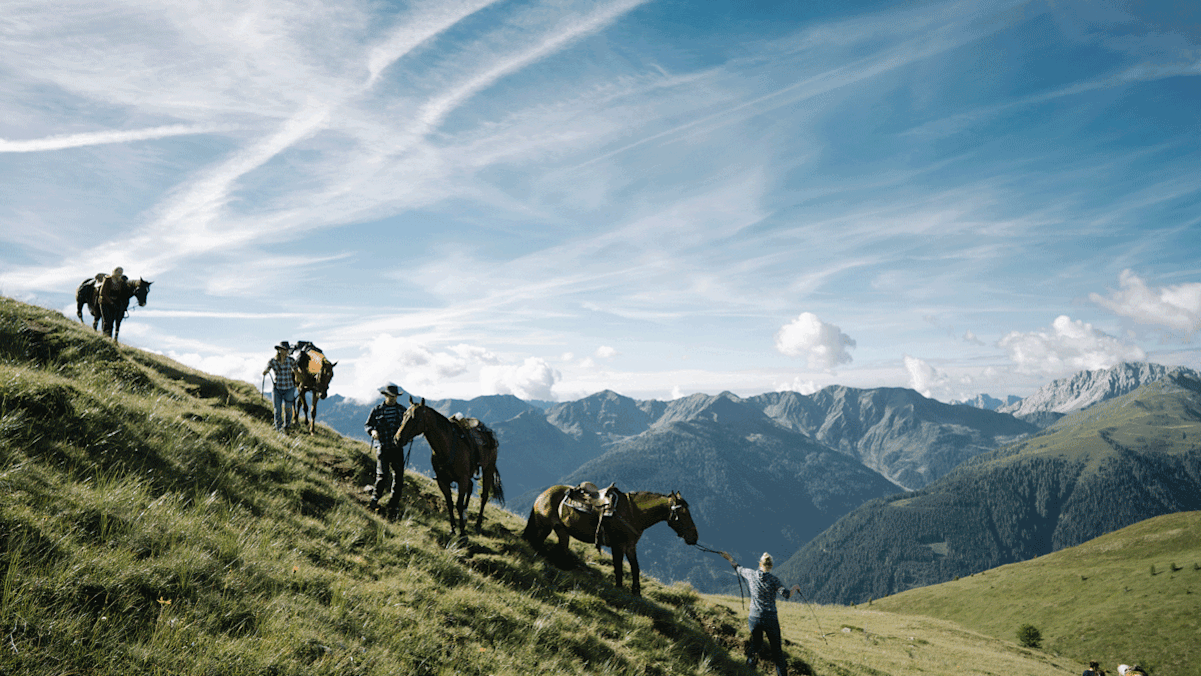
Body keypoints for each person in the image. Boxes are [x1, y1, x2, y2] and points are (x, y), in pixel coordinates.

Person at [721, 551, 792, 676]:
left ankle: (748, 672)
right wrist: (795, 588)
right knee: (777, 651)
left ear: (760, 563)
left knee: (755, 646)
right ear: (771, 565)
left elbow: (737, 568)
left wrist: (729, 558)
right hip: (770, 618)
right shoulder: (774, 580)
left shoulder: (750, 574)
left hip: (754, 617)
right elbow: (786, 594)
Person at [365, 383, 407, 517]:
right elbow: (368, 425)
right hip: (383, 447)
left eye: (395, 396)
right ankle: (375, 499)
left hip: (397, 448)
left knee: (399, 477)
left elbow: (408, 426)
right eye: (390, 396)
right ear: (385, 396)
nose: (393, 398)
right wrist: (372, 431)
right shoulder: (377, 410)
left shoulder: (402, 411)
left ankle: (393, 504)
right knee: (382, 475)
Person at [262, 341, 298, 432]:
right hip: (277, 388)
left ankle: (287, 426)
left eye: (287, 350)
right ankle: (279, 429)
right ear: (280, 350)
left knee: (288, 409)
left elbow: (297, 371)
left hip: (289, 388)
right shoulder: (273, 361)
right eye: (285, 350)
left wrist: (300, 379)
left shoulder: (291, 360)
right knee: (277, 410)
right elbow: (267, 367)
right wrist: (265, 371)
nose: (286, 352)